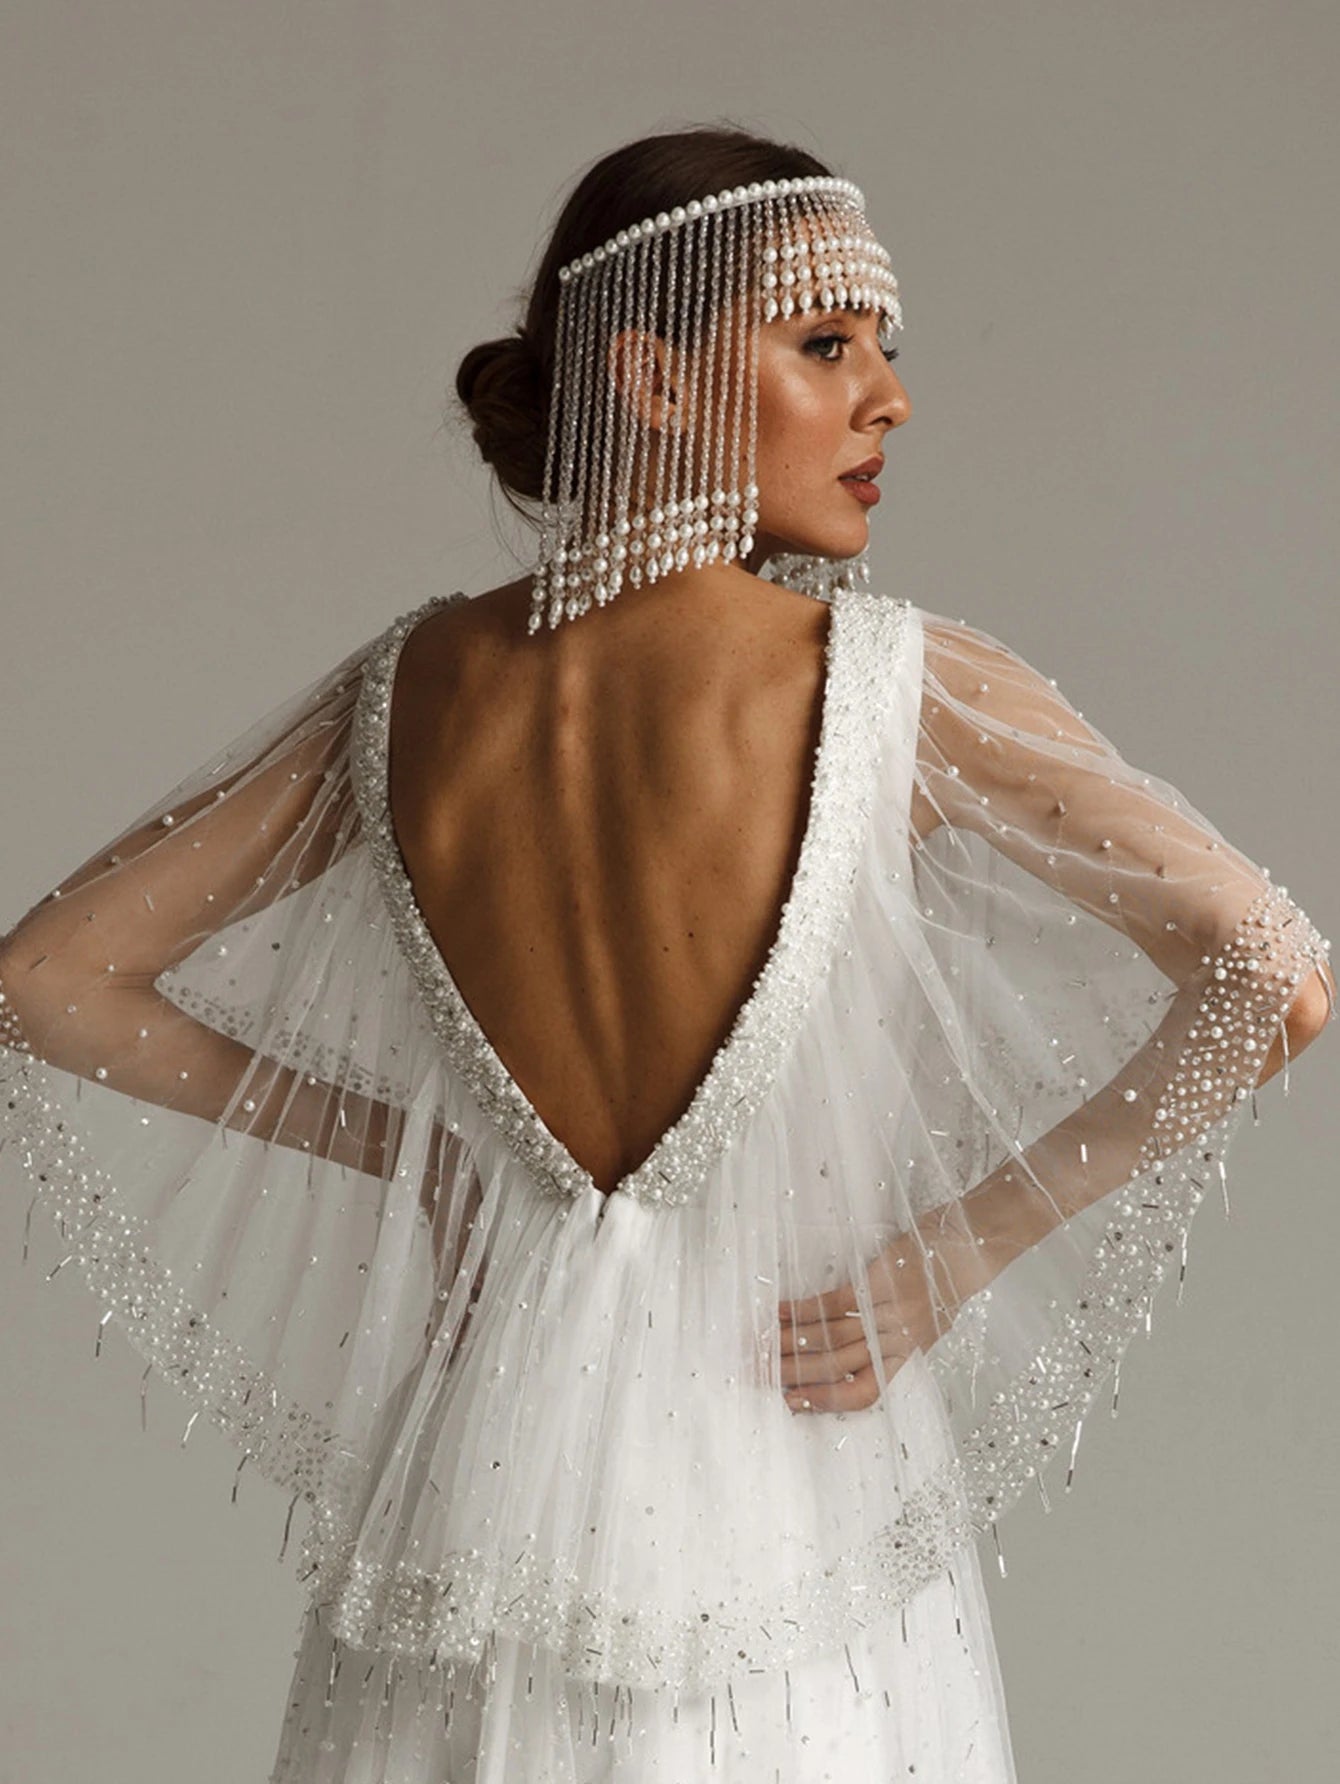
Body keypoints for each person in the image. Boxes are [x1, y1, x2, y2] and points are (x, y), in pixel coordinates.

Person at [1, 123, 1332, 1783]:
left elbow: (46, 976)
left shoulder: (405, 694)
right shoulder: (898, 683)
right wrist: (951, 1254)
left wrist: (408, 1154)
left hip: (480, 1480)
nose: (889, 401)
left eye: (883, 352)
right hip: (792, 1474)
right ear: (652, 374)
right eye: (827, 344)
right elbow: (1276, 975)